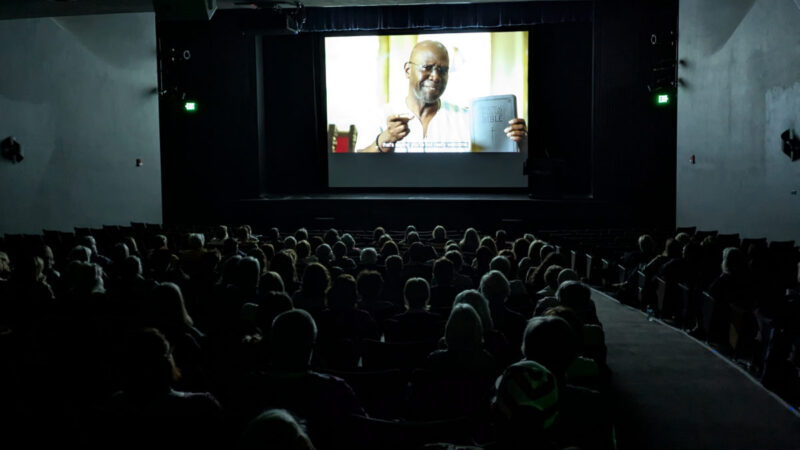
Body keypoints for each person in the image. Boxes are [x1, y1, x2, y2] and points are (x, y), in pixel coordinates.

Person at [356, 40, 528, 153]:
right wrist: (384, 140)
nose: (436, 77)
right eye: (427, 67)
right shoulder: (378, 115)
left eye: (443, 70)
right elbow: (357, 168)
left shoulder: (466, 119)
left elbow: (492, 167)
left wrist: (520, 143)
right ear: (408, 70)